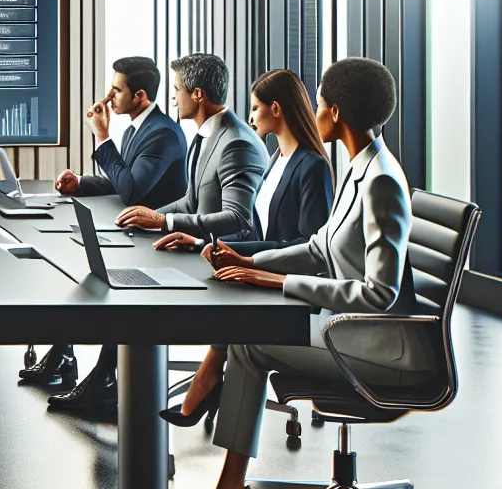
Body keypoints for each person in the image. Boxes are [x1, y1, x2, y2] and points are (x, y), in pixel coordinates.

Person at [174, 58, 432, 489]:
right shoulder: (359, 166)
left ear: (335, 113)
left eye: (319, 105)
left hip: (386, 350)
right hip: (350, 329)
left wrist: (279, 282)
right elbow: (318, 246)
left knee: (248, 343)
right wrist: (253, 260)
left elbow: (380, 294)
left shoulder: (380, 180)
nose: (314, 113)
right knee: (248, 336)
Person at [153, 68, 334, 428]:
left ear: (276, 109)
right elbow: (256, 229)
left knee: (223, 310)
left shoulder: (312, 167)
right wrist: (204, 243)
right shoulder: (276, 160)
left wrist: (248, 260)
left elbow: (309, 248)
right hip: (263, 272)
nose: (249, 117)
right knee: (206, 285)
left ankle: (205, 384)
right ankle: (208, 384)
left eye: (255, 107)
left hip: (291, 289)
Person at [25, 56, 190, 412]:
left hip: (158, 242)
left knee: (107, 282)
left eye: (116, 90)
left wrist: (102, 136)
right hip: (136, 235)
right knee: (81, 269)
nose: (109, 96)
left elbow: (131, 191)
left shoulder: (162, 133)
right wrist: (81, 183)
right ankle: (64, 353)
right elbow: (123, 181)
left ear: (140, 95)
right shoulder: (136, 129)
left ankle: (104, 379)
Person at [114, 53, 266, 244]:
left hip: (221, 255)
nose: (174, 99)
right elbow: (191, 202)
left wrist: (165, 222)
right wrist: (145, 220)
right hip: (196, 246)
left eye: (177, 90)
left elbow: (238, 219)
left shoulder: (237, 144)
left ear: (197, 95)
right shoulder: (205, 134)